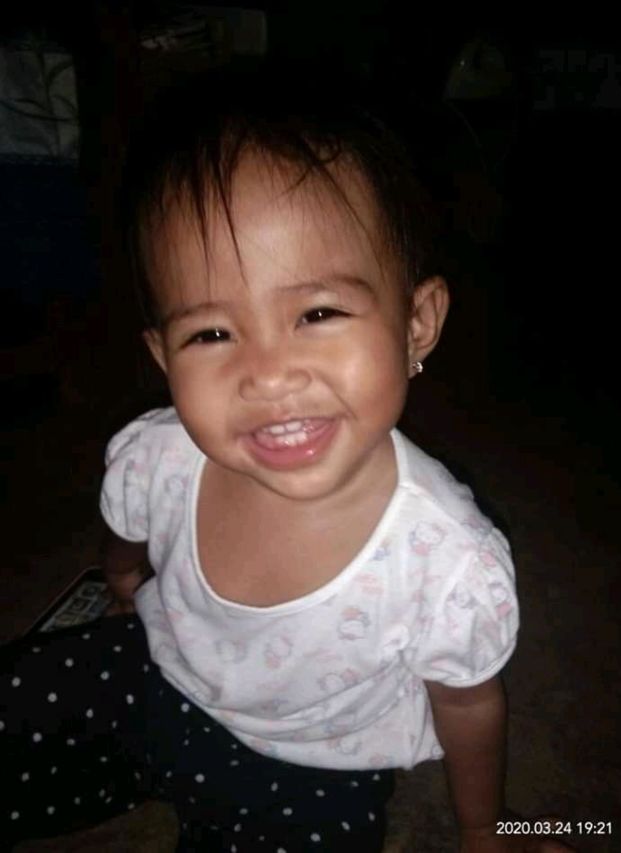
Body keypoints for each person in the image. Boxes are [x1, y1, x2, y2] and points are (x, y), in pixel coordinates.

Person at [1, 66, 571, 853]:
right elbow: (125, 537)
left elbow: (470, 703)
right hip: (160, 670)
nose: (267, 375)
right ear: (163, 356)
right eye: (211, 333)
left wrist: (484, 832)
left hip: (316, 765)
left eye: (317, 312)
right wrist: (124, 581)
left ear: (416, 324)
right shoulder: (158, 454)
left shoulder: (447, 561)